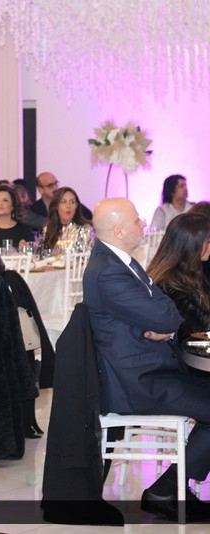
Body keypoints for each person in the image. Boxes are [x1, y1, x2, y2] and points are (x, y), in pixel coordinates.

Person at [84, 197, 210, 521]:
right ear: (119, 230)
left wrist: (162, 321)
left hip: (149, 371)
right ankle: (167, 490)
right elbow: (167, 315)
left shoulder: (120, 263)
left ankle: (171, 487)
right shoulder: (109, 272)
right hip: (138, 382)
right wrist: (163, 322)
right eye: (137, 220)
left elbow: (163, 307)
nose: (143, 224)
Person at [147, 213, 210, 344]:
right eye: (208, 242)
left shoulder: (192, 272)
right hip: (186, 352)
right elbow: (201, 328)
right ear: (193, 246)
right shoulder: (168, 285)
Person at [41, 187, 94, 254]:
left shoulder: (86, 229)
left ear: (76, 205)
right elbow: (43, 255)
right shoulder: (48, 229)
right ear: (56, 206)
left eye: (72, 202)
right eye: (63, 202)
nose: (68, 206)